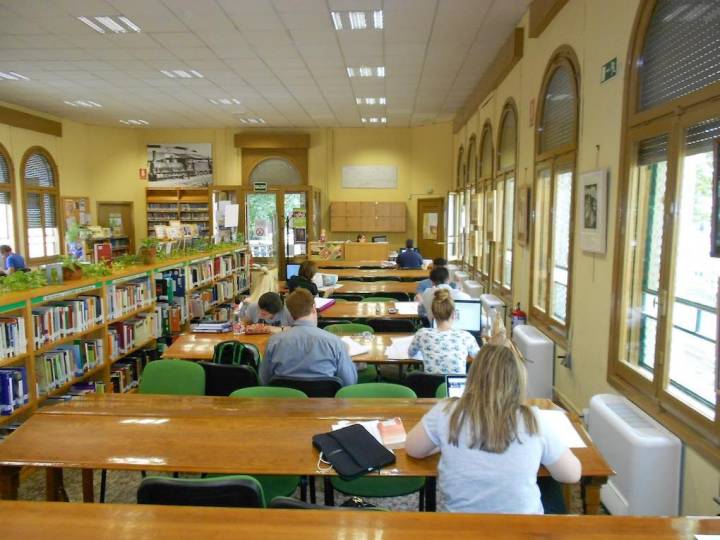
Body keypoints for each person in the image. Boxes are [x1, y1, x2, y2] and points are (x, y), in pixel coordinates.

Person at [405, 345, 582, 514]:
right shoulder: (534, 420)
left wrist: (441, 443)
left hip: (462, 528)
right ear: (519, 381)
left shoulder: (445, 413)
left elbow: (413, 449)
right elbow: (572, 475)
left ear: (472, 376)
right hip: (523, 530)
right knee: (551, 487)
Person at [259, 288, 357, 386]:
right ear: (314, 308)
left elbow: (264, 380)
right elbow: (350, 382)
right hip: (324, 399)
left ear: (290, 314)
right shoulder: (335, 342)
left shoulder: (274, 342)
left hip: (286, 399)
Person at [408, 289, 480, 374]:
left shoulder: (421, 334)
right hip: (454, 386)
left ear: (433, 315)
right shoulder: (466, 336)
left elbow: (411, 353)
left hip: (430, 386)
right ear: (454, 315)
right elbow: (480, 358)